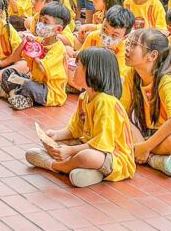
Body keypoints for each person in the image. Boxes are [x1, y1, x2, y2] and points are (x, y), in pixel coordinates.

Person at [25, 47, 135, 188]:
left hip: (114, 158)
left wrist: (70, 151)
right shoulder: (84, 97)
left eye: (78, 66)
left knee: (87, 156)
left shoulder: (106, 102)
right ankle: (89, 172)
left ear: (93, 71)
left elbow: (101, 146)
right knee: (52, 144)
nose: (73, 70)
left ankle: (56, 166)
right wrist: (56, 135)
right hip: (87, 146)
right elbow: (74, 129)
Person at [122, 29, 171, 177]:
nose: (127, 48)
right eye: (128, 43)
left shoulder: (167, 80)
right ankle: (151, 159)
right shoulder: (132, 74)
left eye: (133, 45)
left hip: (170, 135)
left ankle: (137, 152)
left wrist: (146, 146)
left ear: (152, 55)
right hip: (145, 133)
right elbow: (122, 111)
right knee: (119, 118)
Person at [0, 1, 70, 110]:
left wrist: (34, 53)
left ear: (58, 29)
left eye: (46, 22)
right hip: (35, 82)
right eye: (40, 21)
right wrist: (25, 43)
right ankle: (16, 94)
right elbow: (18, 56)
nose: (40, 25)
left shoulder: (59, 48)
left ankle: (16, 94)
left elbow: (43, 68)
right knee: (8, 73)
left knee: (29, 86)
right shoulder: (39, 41)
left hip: (49, 91)